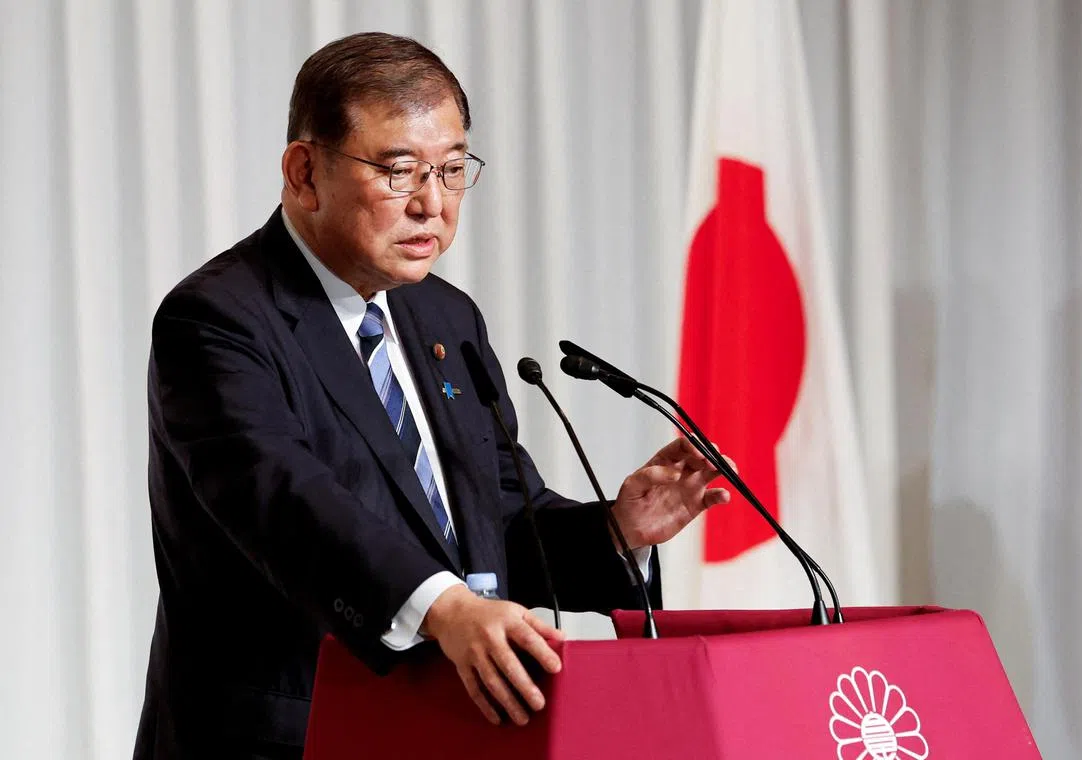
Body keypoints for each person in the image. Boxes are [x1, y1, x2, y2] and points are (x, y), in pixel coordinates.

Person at [133, 32, 728, 759]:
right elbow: (287, 504)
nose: (432, 205)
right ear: (303, 172)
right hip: (284, 738)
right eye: (399, 171)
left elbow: (501, 522)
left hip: (447, 731)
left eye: (451, 171)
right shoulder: (221, 319)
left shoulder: (446, 317)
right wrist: (446, 608)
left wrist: (617, 530)